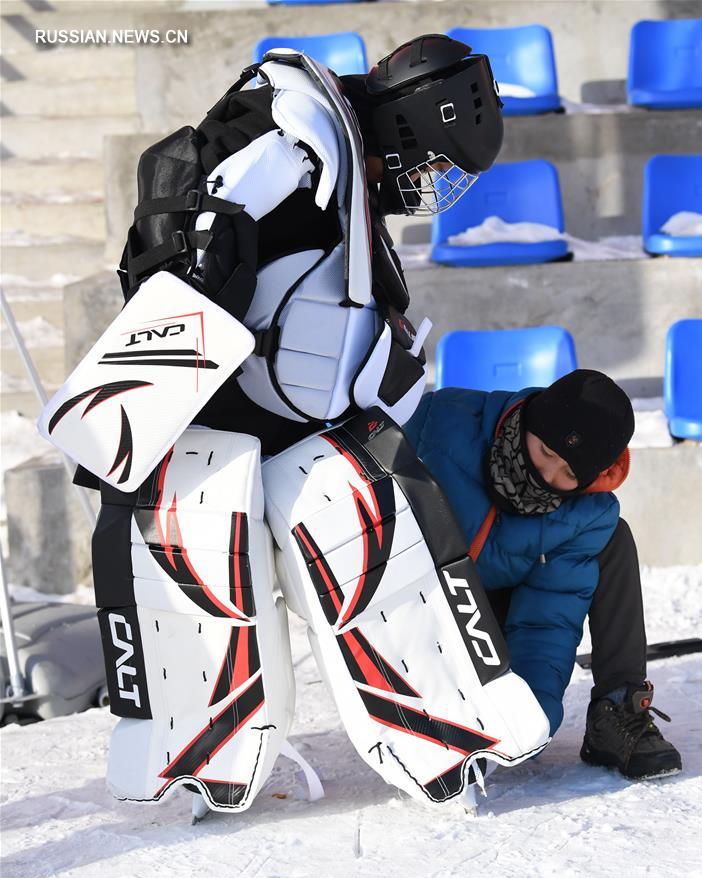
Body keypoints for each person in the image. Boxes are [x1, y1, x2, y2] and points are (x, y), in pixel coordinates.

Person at [48, 35, 553, 818]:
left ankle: (446, 740)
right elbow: (208, 224)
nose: (430, 184)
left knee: (391, 572)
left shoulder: (339, 164)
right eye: (434, 162)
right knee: (199, 601)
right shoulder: (294, 140)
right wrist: (150, 381)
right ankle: (201, 763)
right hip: (222, 434)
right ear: (414, 125)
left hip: (310, 429)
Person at [403, 369, 683, 780]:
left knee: (614, 538)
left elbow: (547, 619)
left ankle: (618, 708)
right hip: (413, 606)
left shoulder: (584, 514)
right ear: (529, 422)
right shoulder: (437, 423)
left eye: (569, 474)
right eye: (546, 453)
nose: (547, 478)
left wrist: (527, 725)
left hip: (495, 615)